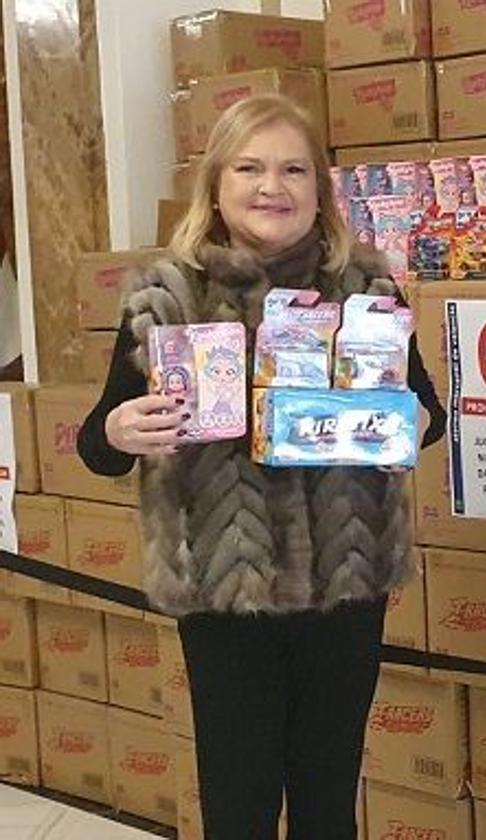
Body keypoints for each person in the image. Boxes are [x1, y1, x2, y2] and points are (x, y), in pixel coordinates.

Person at [77, 95, 445, 839]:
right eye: (249, 167)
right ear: (216, 184)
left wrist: (398, 419)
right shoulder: (165, 297)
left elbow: (428, 417)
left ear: (320, 190)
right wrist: (121, 428)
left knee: (326, 801)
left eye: (292, 169)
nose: (270, 186)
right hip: (225, 596)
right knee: (238, 803)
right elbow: (98, 446)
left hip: (347, 589)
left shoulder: (367, 290)